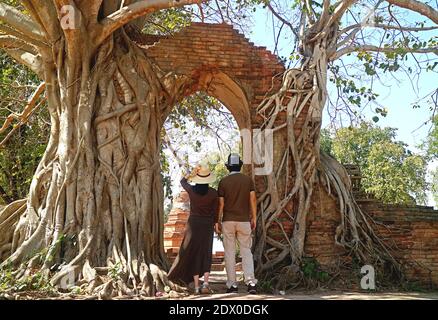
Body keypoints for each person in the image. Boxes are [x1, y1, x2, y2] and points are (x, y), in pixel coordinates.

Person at [168, 165, 218, 295]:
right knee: (206, 252)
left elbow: (182, 182)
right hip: (207, 224)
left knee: (194, 252)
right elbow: (215, 212)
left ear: (197, 178)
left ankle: (196, 287)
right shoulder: (213, 193)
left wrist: (191, 173)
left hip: (193, 224)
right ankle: (206, 284)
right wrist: (216, 222)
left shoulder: (191, 190)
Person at [215, 154, 258, 294]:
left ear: (228, 167)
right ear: (240, 166)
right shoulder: (247, 180)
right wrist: (254, 218)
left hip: (228, 221)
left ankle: (232, 285)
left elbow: (221, 204)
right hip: (244, 221)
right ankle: (251, 283)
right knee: (246, 252)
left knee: (229, 252)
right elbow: (252, 199)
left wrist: (218, 220)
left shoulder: (223, 181)